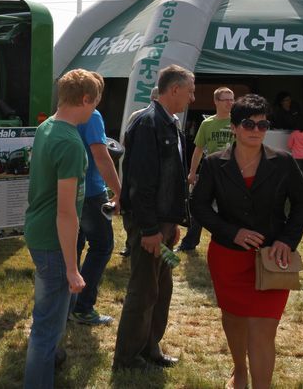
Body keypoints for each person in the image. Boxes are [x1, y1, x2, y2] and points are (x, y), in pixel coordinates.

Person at [190, 94, 303, 389]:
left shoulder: (282, 162)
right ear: (233, 127)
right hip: (228, 259)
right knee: (233, 320)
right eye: (248, 124)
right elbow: (200, 206)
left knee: (262, 329)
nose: (256, 130)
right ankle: (238, 369)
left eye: (262, 124)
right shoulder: (214, 163)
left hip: (272, 260)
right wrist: (233, 232)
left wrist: (287, 240)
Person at [113, 65, 195, 371]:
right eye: (190, 91)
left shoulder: (169, 122)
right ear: (174, 90)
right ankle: (128, 357)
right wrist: (149, 229)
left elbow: (171, 179)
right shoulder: (148, 124)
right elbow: (141, 182)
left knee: (162, 287)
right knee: (144, 290)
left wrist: (173, 223)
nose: (192, 97)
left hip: (163, 224)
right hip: (148, 226)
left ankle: (150, 348)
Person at [23, 68, 102, 388]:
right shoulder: (69, 142)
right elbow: (66, 212)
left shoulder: (47, 126)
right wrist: (72, 268)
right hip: (53, 242)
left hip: (39, 232)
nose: (96, 109)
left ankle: (48, 366)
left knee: (47, 317)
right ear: (85, 99)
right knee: (46, 328)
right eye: (95, 103)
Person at [70, 86, 121, 325]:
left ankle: (68, 304)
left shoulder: (64, 114)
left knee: (75, 245)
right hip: (91, 193)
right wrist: (119, 191)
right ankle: (82, 307)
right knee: (101, 246)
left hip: (69, 192)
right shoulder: (93, 115)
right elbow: (101, 156)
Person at [177, 87, 235, 252]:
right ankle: (189, 243)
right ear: (216, 101)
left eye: (232, 99)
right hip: (209, 172)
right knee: (198, 208)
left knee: (229, 210)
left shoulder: (237, 123)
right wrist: (192, 172)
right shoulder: (207, 124)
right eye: (226, 99)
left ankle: (227, 242)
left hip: (231, 173)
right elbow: (198, 150)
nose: (230, 102)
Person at [120, 86, 159, 258]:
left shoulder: (172, 118)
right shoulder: (138, 116)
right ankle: (130, 245)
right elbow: (126, 139)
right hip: (138, 170)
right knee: (132, 215)